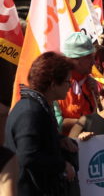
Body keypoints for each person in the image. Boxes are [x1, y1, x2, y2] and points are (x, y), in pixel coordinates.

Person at [4, 52, 77, 195]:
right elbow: (28, 156)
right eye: (68, 81)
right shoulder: (30, 111)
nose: (70, 87)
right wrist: (62, 166)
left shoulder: (37, 106)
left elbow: (37, 140)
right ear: (53, 84)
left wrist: (59, 140)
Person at [59, 32, 98, 135]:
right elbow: (54, 122)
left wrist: (98, 95)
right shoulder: (56, 84)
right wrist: (85, 122)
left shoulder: (93, 83)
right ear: (74, 60)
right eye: (89, 57)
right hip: (65, 147)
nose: (93, 62)